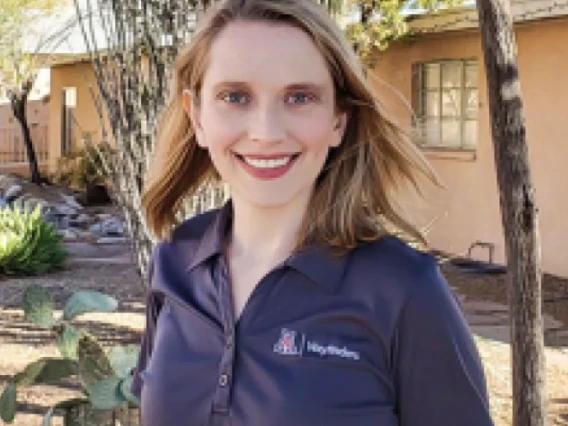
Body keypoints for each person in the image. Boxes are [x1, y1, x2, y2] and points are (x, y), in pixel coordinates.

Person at [131, 0, 495, 425]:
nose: (266, 132)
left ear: (338, 119)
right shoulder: (174, 261)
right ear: (197, 117)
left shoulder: (403, 289)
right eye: (234, 96)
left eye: (299, 97)